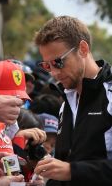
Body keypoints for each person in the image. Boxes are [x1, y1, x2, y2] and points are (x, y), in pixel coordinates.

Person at [33, 16, 112, 186]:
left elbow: (69, 171)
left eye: (58, 62)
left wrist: (72, 171)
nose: (53, 73)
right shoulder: (66, 103)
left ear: (83, 49)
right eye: (47, 66)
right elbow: (64, 170)